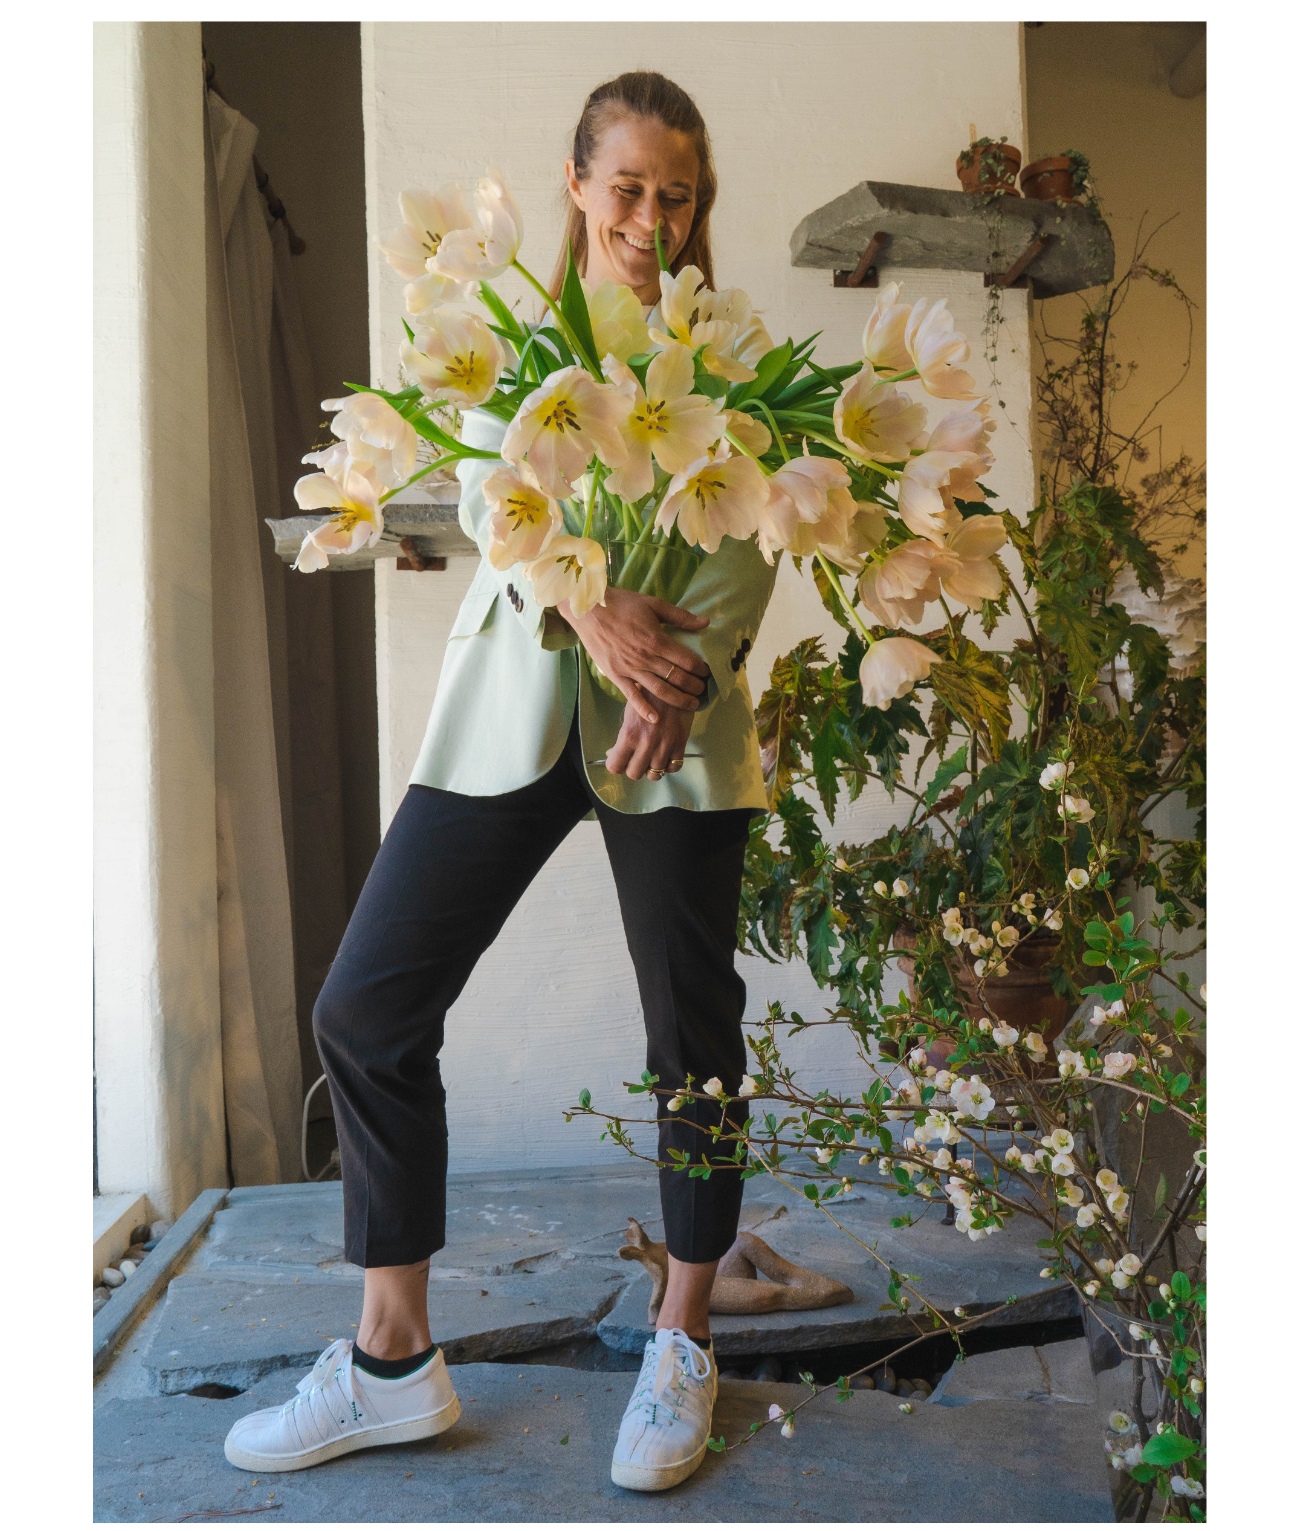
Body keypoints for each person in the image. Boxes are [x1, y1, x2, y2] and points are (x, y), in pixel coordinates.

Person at [224, 70, 778, 1494]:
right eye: (632, 187)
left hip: (673, 720)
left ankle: (683, 1338)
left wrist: (683, 675)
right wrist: (587, 605)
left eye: (681, 194)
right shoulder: (520, 334)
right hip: (517, 700)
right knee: (366, 1002)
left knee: (693, 1032)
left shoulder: (731, 353)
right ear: (582, 184)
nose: (655, 218)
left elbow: (758, 530)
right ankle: (392, 1360)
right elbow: (486, 485)